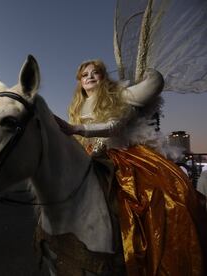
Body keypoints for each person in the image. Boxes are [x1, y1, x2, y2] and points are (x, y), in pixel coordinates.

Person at [55, 60, 207, 275]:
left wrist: (76, 128)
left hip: (125, 156)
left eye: (95, 73)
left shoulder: (119, 96)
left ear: (103, 77)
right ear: (80, 82)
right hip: (90, 157)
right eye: (84, 75)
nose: (89, 77)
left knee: (164, 195)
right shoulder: (77, 106)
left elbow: (114, 126)